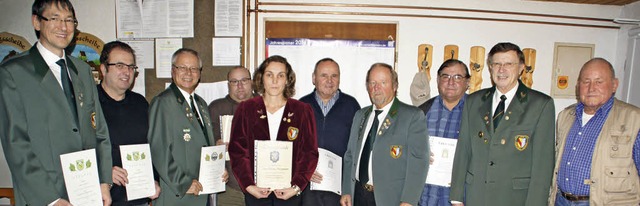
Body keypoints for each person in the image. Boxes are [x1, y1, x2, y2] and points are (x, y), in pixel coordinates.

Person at [0, 0, 113, 205]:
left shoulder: (83, 71)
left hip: (87, 192)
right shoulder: (13, 73)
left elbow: (100, 132)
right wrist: (50, 199)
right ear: (36, 22)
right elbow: (16, 144)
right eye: (55, 19)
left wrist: (104, 181)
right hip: (46, 195)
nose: (64, 27)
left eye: (69, 20)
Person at [450, 42, 555, 206]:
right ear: (490, 68)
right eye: (496, 64)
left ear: (521, 68)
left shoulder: (540, 105)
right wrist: (456, 196)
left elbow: (543, 166)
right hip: (476, 196)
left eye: (508, 64)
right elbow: (463, 149)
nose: (501, 69)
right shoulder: (474, 101)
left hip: (515, 199)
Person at [228, 55, 319, 206]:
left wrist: (296, 186)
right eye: (269, 75)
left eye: (280, 75)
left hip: (289, 194)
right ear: (261, 78)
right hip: (256, 193)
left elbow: (309, 153)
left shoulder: (302, 111)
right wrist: (248, 185)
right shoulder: (246, 109)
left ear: (288, 79)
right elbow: (238, 151)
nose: (275, 81)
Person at [549, 58, 640, 205]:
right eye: (586, 82)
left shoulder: (634, 119)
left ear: (614, 85)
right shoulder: (565, 116)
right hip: (562, 200)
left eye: (599, 82)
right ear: (578, 85)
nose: (591, 88)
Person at [340, 63, 429, 206]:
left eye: (383, 82)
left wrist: (409, 200)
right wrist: (346, 190)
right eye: (372, 82)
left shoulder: (412, 116)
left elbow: (419, 163)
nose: (377, 87)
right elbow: (350, 156)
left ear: (394, 86)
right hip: (358, 196)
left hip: (392, 199)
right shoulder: (360, 115)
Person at [147, 48, 228, 205]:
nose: (188, 73)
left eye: (193, 68)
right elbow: (158, 150)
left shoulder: (201, 104)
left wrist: (218, 169)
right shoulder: (163, 103)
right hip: (178, 194)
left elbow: (206, 145)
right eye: (182, 67)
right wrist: (183, 183)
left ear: (199, 73)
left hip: (201, 192)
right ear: (173, 71)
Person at [98, 41, 161, 205]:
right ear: (103, 69)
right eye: (119, 65)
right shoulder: (89, 104)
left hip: (139, 198)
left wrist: (153, 180)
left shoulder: (140, 103)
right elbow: (76, 148)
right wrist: (103, 172)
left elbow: (150, 147)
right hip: (104, 199)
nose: (127, 71)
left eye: (131, 67)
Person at [299, 58, 361, 205]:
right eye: (324, 75)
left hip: (339, 187)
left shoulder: (352, 106)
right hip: (308, 187)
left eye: (334, 76)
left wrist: (349, 186)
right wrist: (303, 169)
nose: (329, 80)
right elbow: (292, 145)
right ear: (314, 78)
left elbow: (357, 148)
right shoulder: (301, 106)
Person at [417, 59, 469, 206]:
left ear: (467, 83)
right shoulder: (421, 112)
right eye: (445, 76)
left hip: (461, 200)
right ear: (438, 80)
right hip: (425, 198)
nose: (451, 82)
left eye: (458, 77)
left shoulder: (478, 114)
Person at [208, 66, 256, 205]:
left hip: (261, 185)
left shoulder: (265, 104)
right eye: (234, 81)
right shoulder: (216, 108)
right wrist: (216, 146)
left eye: (244, 80)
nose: (240, 86)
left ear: (251, 82)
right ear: (228, 84)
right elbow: (204, 144)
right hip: (230, 187)